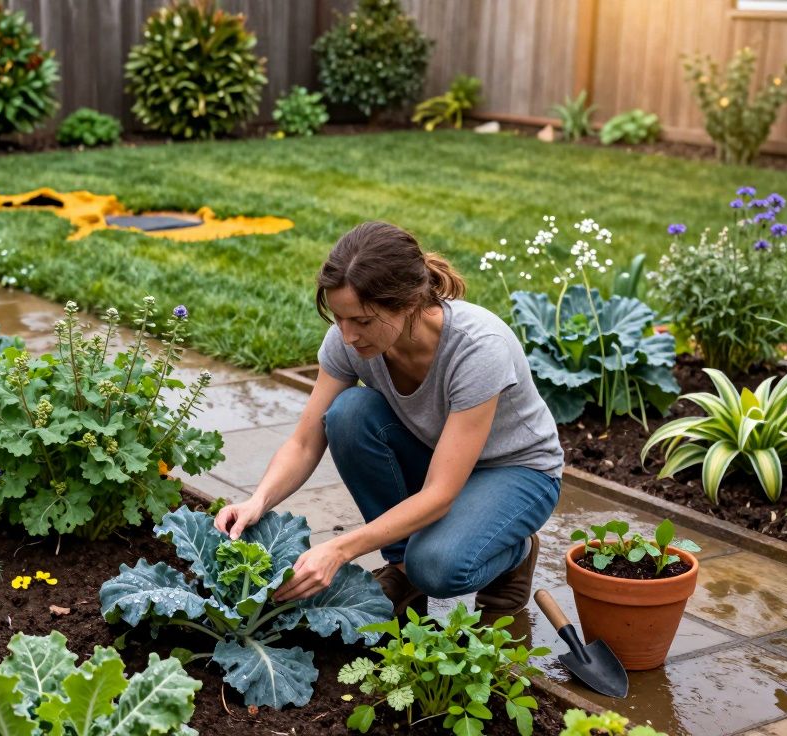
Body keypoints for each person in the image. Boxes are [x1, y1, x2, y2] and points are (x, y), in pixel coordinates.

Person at [214, 221, 563, 622]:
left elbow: (441, 492)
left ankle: (514, 551)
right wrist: (257, 500)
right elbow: (305, 442)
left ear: (409, 302)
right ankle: (402, 570)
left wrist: (341, 549)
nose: (347, 336)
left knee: (436, 565)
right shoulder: (350, 341)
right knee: (347, 414)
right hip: (439, 455)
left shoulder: (478, 349)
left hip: (517, 471)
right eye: (339, 318)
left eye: (362, 321)